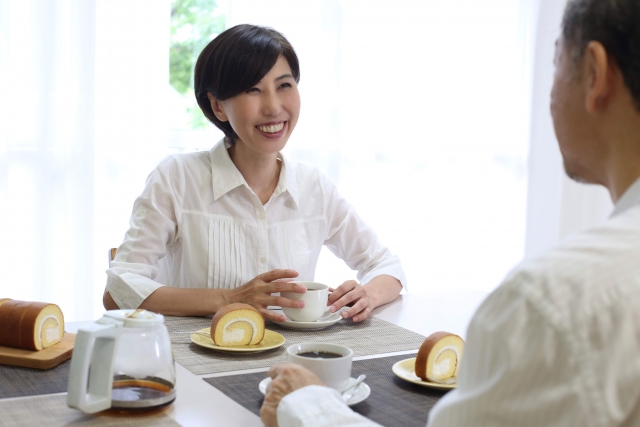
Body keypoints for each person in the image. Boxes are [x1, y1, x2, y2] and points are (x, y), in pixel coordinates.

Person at [260, 0, 640, 425]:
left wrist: (307, 403)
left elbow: (385, 263)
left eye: (554, 64)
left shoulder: (555, 302)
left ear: (594, 74)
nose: (272, 107)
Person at [102, 25, 405, 322]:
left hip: (290, 363)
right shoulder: (177, 178)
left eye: (284, 85)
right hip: (195, 361)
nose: (274, 108)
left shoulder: (314, 187)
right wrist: (229, 299)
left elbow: (386, 265)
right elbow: (117, 291)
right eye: (253, 90)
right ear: (218, 106)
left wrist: (368, 294)